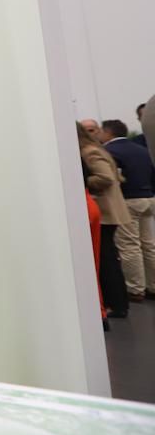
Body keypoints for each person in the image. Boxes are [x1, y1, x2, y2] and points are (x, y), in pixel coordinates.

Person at [77, 122, 128, 318]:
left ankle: (115, 304)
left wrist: (77, 179)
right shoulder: (97, 149)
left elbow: (106, 177)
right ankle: (118, 303)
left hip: (104, 209)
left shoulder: (89, 152)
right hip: (106, 210)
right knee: (110, 257)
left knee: (106, 259)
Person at [101, 119, 155, 302]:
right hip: (148, 198)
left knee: (130, 245)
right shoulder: (142, 150)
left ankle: (135, 288)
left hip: (129, 200)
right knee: (148, 244)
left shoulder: (110, 151)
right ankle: (153, 285)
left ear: (108, 133)